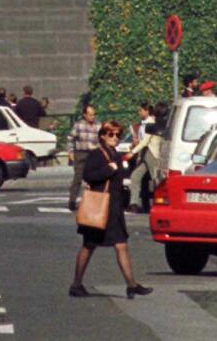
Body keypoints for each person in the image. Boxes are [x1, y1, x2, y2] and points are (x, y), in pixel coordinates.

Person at [70, 121, 153, 300]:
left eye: (117, 135)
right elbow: (88, 176)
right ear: (102, 136)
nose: (114, 138)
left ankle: (131, 285)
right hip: (100, 206)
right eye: (110, 134)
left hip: (113, 207)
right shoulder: (97, 155)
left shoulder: (115, 154)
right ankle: (76, 284)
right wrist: (109, 169)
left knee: (121, 245)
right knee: (89, 245)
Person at [67, 101, 100, 212]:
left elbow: (102, 140)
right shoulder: (79, 125)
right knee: (78, 178)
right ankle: (72, 201)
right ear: (85, 115)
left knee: (94, 179)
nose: (92, 117)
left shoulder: (98, 125)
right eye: (90, 114)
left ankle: (94, 202)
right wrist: (70, 152)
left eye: (94, 114)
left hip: (93, 154)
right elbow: (70, 139)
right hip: (81, 153)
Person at [130, 104, 160, 214]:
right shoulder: (142, 124)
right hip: (145, 152)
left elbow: (145, 141)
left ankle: (160, 202)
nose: (139, 112)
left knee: (155, 178)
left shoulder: (151, 122)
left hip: (151, 153)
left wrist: (133, 152)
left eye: (141, 110)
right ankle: (133, 203)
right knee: (135, 176)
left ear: (147, 111)